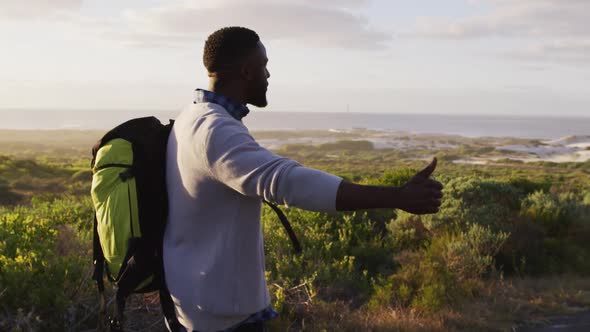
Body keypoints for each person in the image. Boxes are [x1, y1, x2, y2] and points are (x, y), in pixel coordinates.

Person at [163, 26, 443, 332]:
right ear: (246, 71)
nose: (269, 75)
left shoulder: (193, 115)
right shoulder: (213, 129)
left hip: (207, 304)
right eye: (264, 65)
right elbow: (287, 181)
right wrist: (397, 197)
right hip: (220, 318)